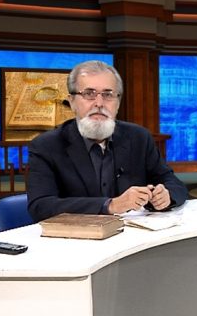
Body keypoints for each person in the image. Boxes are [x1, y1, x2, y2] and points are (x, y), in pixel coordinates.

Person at [27, 60, 188, 222]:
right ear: (72, 102)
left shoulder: (139, 137)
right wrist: (110, 205)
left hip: (134, 233)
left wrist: (166, 196)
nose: (99, 103)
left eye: (108, 95)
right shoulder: (46, 146)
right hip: (77, 234)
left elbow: (173, 183)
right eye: (89, 93)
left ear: (117, 103)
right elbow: (41, 206)